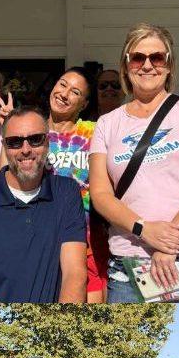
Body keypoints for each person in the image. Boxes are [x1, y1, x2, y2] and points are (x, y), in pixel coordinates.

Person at [88, 22, 179, 302]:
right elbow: (101, 194)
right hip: (133, 263)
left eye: (156, 57)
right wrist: (144, 229)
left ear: (169, 65)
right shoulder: (107, 124)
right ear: (126, 65)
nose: (147, 65)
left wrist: (168, 241)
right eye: (138, 57)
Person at [0, 107, 87, 302]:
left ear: (48, 142)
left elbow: (75, 275)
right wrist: (20, 331)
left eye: (35, 139)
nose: (25, 150)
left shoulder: (66, 193)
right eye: (15, 142)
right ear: (4, 146)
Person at [45, 67, 109, 302]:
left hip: (87, 239)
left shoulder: (94, 132)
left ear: (84, 103)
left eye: (75, 92)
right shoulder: (32, 132)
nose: (64, 93)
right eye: (62, 84)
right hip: (42, 237)